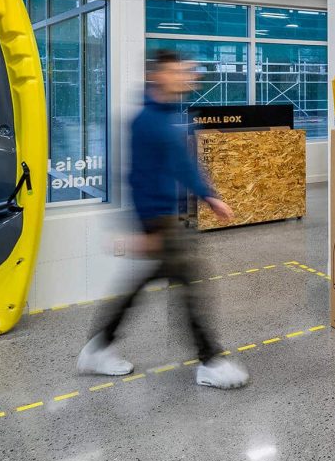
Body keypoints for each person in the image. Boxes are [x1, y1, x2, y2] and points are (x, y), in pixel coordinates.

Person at [76, 50, 248, 389]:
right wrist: (148, 225)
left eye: (187, 71)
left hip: (168, 217)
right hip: (159, 218)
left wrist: (208, 195)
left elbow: (182, 164)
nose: (186, 76)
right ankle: (209, 360)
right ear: (158, 76)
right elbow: (135, 177)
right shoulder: (146, 121)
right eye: (177, 71)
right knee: (192, 283)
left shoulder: (170, 116)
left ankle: (99, 346)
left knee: (148, 281)